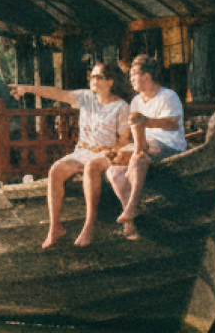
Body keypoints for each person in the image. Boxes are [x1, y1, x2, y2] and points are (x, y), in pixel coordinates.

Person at [8, 62, 129, 248]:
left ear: (110, 82)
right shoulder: (86, 97)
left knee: (90, 169)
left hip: (105, 154)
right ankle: (55, 227)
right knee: (56, 170)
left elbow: (123, 140)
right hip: (83, 151)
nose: (93, 80)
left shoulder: (121, 106)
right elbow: (57, 93)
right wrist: (27, 89)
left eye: (98, 77)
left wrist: (112, 151)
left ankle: (90, 225)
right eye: (92, 76)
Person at [107, 54, 187, 238]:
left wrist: (146, 121)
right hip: (145, 145)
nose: (131, 79)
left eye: (134, 74)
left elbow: (173, 124)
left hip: (169, 145)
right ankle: (131, 217)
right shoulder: (136, 101)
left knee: (138, 156)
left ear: (147, 77)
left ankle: (133, 206)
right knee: (113, 171)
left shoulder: (168, 96)